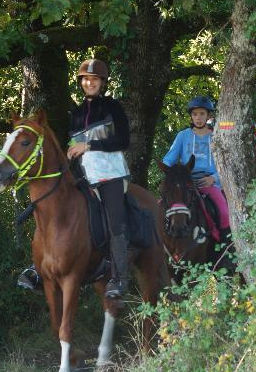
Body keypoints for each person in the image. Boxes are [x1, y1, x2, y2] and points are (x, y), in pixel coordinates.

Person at [19, 58, 133, 299]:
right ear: (81, 82)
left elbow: (123, 141)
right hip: (84, 176)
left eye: (95, 79)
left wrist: (88, 145)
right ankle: (38, 267)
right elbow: (75, 144)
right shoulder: (77, 114)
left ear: (102, 82)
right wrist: (71, 149)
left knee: (115, 221)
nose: (90, 82)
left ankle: (119, 277)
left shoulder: (113, 107)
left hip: (111, 175)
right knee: (54, 213)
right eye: (86, 79)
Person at [161, 95, 231, 244]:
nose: (198, 118)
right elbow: (169, 159)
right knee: (158, 207)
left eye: (202, 114)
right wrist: (170, 171)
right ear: (191, 116)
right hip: (186, 182)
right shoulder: (183, 136)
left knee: (224, 212)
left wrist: (214, 178)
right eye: (194, 114)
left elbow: (226, 163)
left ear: (209, 115)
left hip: (209, 182)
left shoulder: (217, 135)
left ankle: (226, 250)